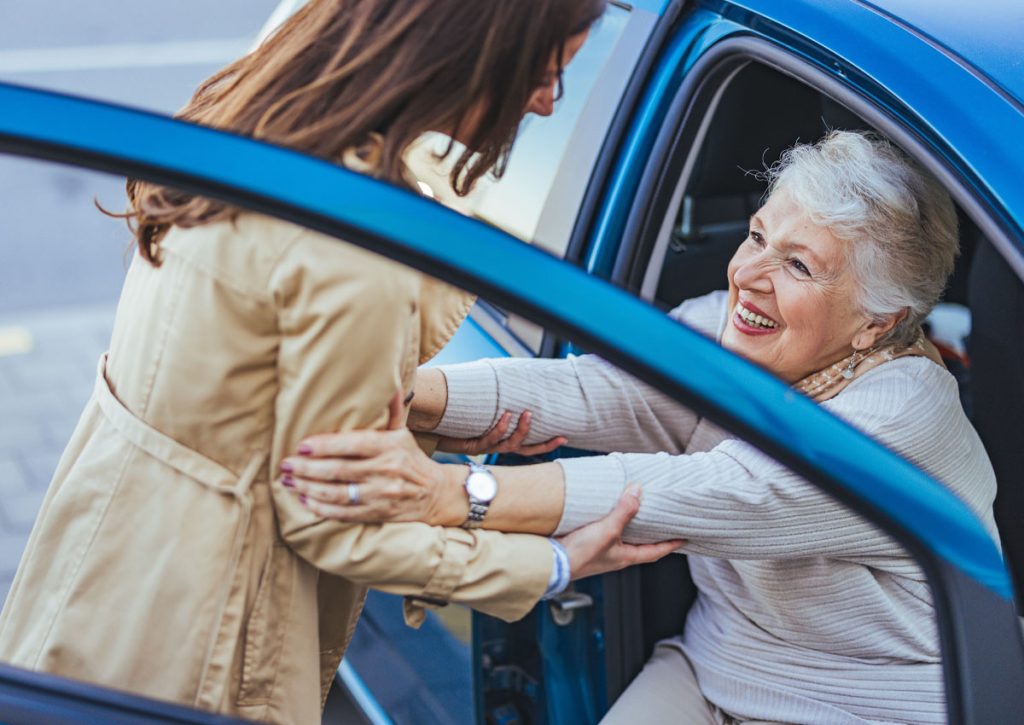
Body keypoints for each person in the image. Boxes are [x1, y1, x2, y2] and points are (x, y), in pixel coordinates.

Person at [0, 2, 683, 723]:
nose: (547, 104)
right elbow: (333, 523)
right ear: (465, 51)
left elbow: (239, 382)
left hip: (105, 567)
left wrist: (430, 420)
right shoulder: (356, 242)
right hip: (204, 633)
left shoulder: (252, 119)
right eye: (544, 74)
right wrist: (557, 563)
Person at [281, 130, 1002, 724]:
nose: (749, 275)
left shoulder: (904, 412)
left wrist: (450, 493)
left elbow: (703, 491)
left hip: (866, 707)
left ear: (876, 322)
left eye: (798, 265)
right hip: (714, 667)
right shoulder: (731, 326)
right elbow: (597, 388)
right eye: (757, 235)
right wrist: (403, 391)